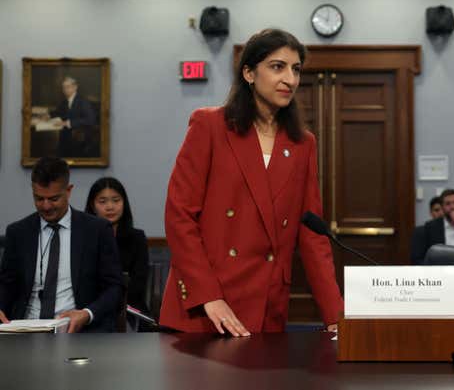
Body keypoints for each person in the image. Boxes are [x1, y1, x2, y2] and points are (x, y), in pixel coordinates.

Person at [160, 29, 343, 336]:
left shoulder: (303, 144)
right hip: (205, 308)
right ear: (249, 72)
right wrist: (209, 296)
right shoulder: (210, 126)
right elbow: (179, 217)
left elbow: (312, 238)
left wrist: (337, 316)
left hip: (266, 306)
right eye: (277, 67)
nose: (290, 79)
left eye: (296, 69)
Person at [0, 157, 122, 332]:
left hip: (78, 332)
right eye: (39, 199)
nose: (46, 206)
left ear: (69, 190)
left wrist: (87, 313)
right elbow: (6, 285)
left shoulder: (96, 230)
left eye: (54, 198)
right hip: (24, 332)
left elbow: (114, 288)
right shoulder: (18, 232)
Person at [85, 177, 150, 326]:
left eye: (116, 200)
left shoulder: (137, 238)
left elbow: (138, 285)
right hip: (91, 311)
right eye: (102, 202)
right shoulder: (84, 237)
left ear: (124, 203)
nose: (110, 207)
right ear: (92, 206)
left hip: (129, 310)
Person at [410, 189, 454, 265]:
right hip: (439, 271)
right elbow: (418, 259)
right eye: (448, 204)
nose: (452, 207)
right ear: (442, 207)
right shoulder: (430, 227)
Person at [49, 76, 98, 158]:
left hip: (79, 139)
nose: (65, 90)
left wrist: (69, 123)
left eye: (67, 87)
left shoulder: (83, 102)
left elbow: (91, 120)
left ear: (75, 87)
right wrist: (48, 115)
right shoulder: (65, 101)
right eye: (63, 88)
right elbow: (58, 112)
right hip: (65, 137)